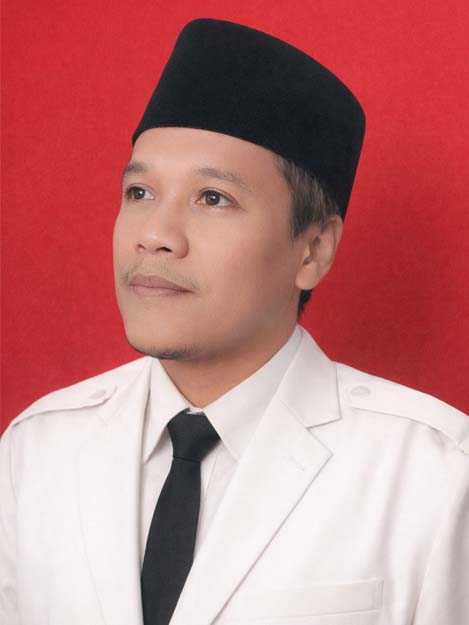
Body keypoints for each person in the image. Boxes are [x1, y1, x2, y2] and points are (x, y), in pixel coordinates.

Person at [0, 17, 467, 625]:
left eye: (213, 198)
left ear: (313, 250)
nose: (154, 235)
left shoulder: (434, 473)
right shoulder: (36, 450)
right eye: (139, 192)